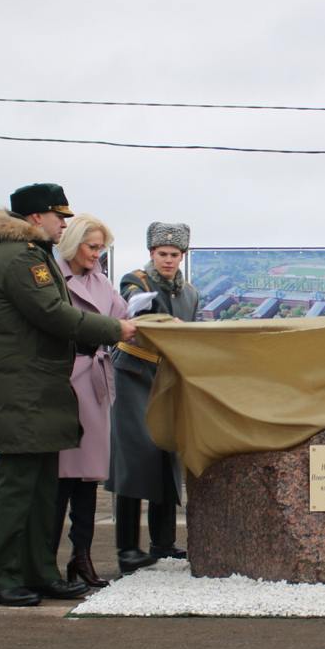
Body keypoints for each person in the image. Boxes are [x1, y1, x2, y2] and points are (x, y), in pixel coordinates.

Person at [0, 183, 138, 607]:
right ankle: (6, 577)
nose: (63, 223)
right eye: (58, 216)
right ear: (36, 218)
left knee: (42, 490)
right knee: (18, 491)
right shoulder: (17, 258)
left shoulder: (32, 256)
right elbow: (52, 313)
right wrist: (113, 330)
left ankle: (40, 572)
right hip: (23, 388)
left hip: (40, 387)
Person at [108, 222, 200, 571]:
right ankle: (127, 548)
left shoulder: (190, 293)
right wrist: (168, 324)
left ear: (182, 256)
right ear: (151, 254)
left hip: (166, 377)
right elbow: (139, 312)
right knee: (134, 457)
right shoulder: (136, 281)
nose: (168, 260)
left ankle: (163, 542)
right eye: (162, 254)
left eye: (174, 255)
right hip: (132, 373)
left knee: (166, 454)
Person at [52, 214, 127, 588]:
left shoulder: (101, 282)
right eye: (92, 246)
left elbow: (126, 320)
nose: (98, 255)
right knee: (60, 480)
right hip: (66, 381)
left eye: (102, 248)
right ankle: (47, 562)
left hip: (95, 382)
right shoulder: (52, 278)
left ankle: (81, 557)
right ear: (73, 243)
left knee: (88, 479)